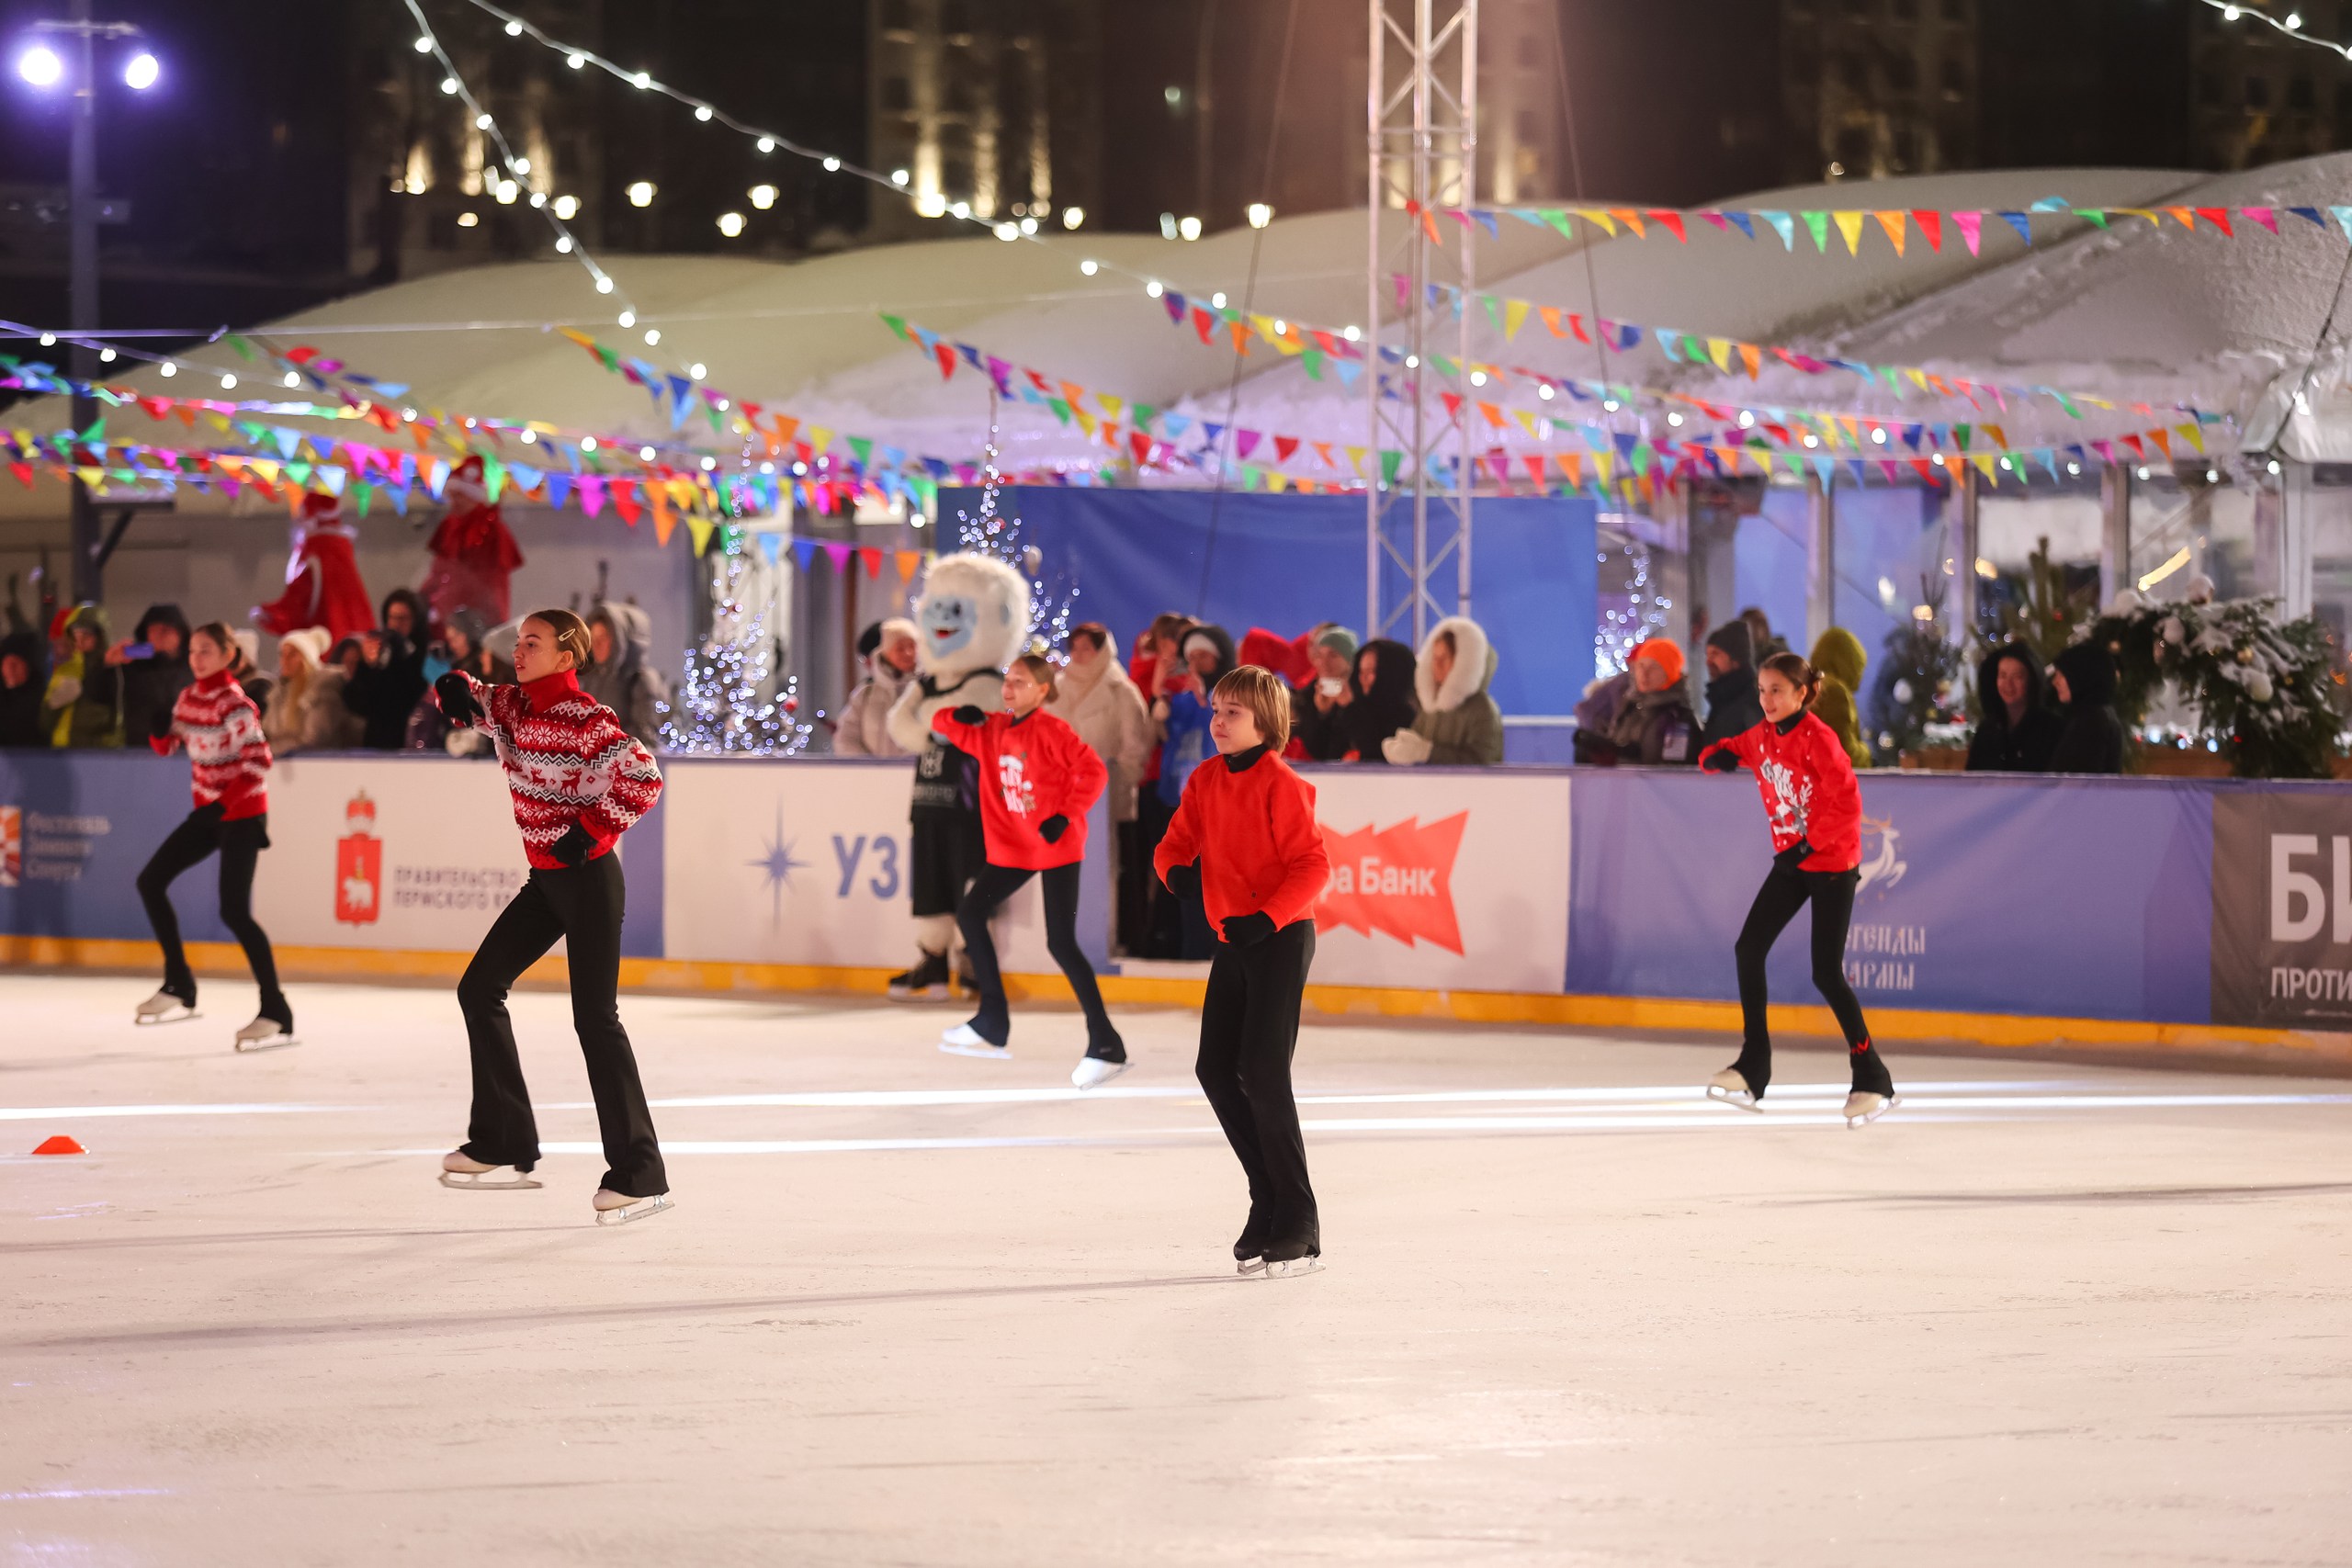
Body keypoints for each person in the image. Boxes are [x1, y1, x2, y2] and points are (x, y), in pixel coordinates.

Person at [431, 608, 671, 1225]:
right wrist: (452, 686)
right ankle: (502, 1138)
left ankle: (641, 1173)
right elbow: (471, 696)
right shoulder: (512, 706)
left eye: (532, 642)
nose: (519, 650)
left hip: (588, 879)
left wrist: (589, 832)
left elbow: (644, 777)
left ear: (567, 656)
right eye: (517, 641)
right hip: (548, 881)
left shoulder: (588, 719)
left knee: (595, 1019)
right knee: (479, 987)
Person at [1154, 665, 1333, 1278]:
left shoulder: (1281, 783)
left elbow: (1312, 866)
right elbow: (1174, 844)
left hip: (1281, 936)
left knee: (1262, 1068)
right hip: (1235, 936)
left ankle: (1300, 1217)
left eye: (1233, 711)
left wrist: (1268, 915)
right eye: (1216, 708)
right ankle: (1268, 1194)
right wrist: (1176, 872)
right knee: (1213, 1067)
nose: (1218, 720)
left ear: (1265, 721)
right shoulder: (1205, 780)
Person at [1698, 650, 1899, 1129]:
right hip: (1794, 861)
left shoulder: (1821, 741)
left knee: (1826, 973)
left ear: (1803, 693)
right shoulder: (1762, 736)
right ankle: (1753, 1065)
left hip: (1830, 863)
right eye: (1762, 690)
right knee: (1749, 948)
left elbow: (1849, 804)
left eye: (1777, 691)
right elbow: (1733, 748)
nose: (1767, 700)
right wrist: (1716, 756)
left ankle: (1872, 1076)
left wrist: (1808, 843)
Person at [931, 653, 1126, 1084]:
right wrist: (958, 713)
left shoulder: (1053, 731)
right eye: (1009, 679)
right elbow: (941, 724)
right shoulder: (991, 729)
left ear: (1042, 690)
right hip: (1014, 849)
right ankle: (992, 1019)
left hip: (1056, 847)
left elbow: (1093, 771)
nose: (1010, 687)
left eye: (1021, 682)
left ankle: (1105, 1041)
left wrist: (1066, 813)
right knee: (969, 913)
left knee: (1061, 942)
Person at [132, 621, 295, 1051]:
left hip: (241, 815)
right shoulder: (189, 698)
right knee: (150, 882)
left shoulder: (235, 703)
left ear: (228, 656)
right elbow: (169, 747)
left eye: (206, 650)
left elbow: (260, 761)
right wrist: (156, 730)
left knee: (234, 912)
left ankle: (276, 1009)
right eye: (192, 651)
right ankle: (179, 983)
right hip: (210, 814)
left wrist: (223, 807)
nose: (196, 658)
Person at [885, 553, 1029, 1000]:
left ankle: (971, 962)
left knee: (971, 880)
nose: (944, 619)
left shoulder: (988, 683)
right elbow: (902, 725)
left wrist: (933, 727)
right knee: (930, 881)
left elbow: (968, 728)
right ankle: (932, 957)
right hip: (929, 799)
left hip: (973, 806)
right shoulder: (928, 684)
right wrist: (933, 729)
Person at [1048, 623, 1153, 954]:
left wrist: (1120, 780)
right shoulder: (1057, 688)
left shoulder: (1120, 690)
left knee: (1114, 868)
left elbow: (1135, 745)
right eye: (1075, 648)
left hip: (1108, 800)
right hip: (1063, 798)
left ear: (1103, 650)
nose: (1080, 655)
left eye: (1087, 649)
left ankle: (1116, 937)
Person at [1150, 623, 1236, 955]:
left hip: (1220, 800)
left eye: (1204, 655)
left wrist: (1206, 701)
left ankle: (1215, 946)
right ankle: (1191, 947)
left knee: (1217, 879)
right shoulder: (1183, 700)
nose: (1197, 663)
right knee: (1185, 877)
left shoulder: (1228, 699)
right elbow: (1162, 729)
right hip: (1180, 795)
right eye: (1191, 657)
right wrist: (1159, 691)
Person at [254, 491, 376, 647]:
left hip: (325, 637)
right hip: (355, 635)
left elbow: (300, 598)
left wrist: (274, 615)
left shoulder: (317, 549)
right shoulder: (340, 547)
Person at [1384, 615, 1504, 765]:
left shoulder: (1482, 708)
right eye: (1435, 658)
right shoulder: (1430, 706)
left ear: (1463, 660)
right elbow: (1416, 741)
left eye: (1444, 658)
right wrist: (1402, 748)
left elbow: (1483, 761)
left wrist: (1427, 752)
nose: (1437, 665)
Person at [407, 608, 512, 754]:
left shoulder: (480, 672)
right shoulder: (458, 666)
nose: (452, 644)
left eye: (457, 636)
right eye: (450, 638)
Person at [343, 587, 430, 750]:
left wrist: (408, 655)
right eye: (392, 618)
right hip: (378, 744)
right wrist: (368, 667)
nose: (396, 625)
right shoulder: (381, 655)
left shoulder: (429, 653)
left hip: (415, 745)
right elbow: (357, 703)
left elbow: (421, 694)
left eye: (403, 618)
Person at [1589, 638, 1698, 765]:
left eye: (1654, 667)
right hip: (1621, 783)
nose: (1644, 674)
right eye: (1641, 665)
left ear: (1670, 673)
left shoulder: (1678, 717)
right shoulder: (1629, 707)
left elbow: (1673, 769)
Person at [582, 601, 669, 751]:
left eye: (603, 638)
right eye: (592, 638)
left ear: (618, 640)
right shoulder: (591, 679)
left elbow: (646, 742)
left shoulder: (643, 680)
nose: (596, 645)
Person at [1965, 641, 2064, 773]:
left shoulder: (2051, 729)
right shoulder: (1988, 729)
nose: (2008, 684)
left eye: (2017, 677)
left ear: (2031, 680)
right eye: (2003, 676)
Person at [264, 626, 363, 754]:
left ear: (306, 659)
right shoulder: (277, 692)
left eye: (293, 654)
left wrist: (267, 751)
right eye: (282, 654)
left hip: (320, 766)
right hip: (284, 765)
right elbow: (267, 732)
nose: (285, 660)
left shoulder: (324, 687)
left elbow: (314, 739)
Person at [834, 616, 919, 758]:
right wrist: (870, 769)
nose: (908, 653)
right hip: (869, 777)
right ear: (885, 652)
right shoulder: (866, 693)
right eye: (900, 648)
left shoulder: (928, 690)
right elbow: (846, 738)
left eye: (912, 646)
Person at [110, 604, 193, 746]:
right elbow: (100, 695)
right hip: (140, 746)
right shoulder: (132, 664)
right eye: (153, 630)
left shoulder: (195, 665)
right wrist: (108, 665)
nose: (159, 636)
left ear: (181, 634)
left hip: (185, 747)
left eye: (166, 630)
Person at [42, 604, 122, 749]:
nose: (80, 641)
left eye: (86, 635)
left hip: (100, 752)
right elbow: (45, 721)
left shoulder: (111, 669)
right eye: (75, 635)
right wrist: (52, 706)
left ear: (100, 636)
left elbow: (116, 717)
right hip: (62, 752)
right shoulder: (65, 671)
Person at [2048, 641, 2125, 774]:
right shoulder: (2099, 715)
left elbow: (2077, 783)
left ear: (2080, 675)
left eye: (2061, 674)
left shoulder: (2091, 721)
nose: (2055, 682)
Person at [1340, 637, 1418, 763]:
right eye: (1361, 671)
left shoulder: (1404, 716)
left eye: (1371, 671)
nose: (1363, 678)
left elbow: (1375, 750)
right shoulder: (1357, 707)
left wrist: (1350, 708)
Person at [1807, 626, 1872, 771]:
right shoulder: (1835, 692)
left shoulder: (1808, 686)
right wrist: (1866, 752)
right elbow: (1844, 751)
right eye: (1859, 667)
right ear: (1849, 663)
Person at [1294, 626, 1359, 761]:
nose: (1324, 662)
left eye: (1333, 655)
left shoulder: (1362, 694)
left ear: (1350, 662)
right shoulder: (1306, 696)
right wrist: (1321, 714)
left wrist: (1349, 708)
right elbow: (1315, 751)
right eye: (1319, 655)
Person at [1698, 621, 1764, 751]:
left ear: (1736, 659)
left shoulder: (1753, 702)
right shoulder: (1722, 698)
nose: (1708, 661)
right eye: (1707, 654)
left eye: (1715, 654)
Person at [0, 629, 50, 747]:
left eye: (16, 663)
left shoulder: (44, 698)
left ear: (29, 666)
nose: (11, 669)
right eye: (6, 663)